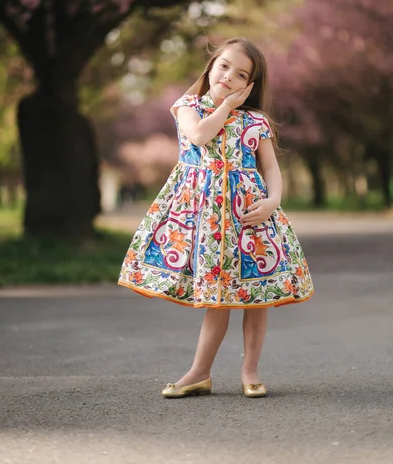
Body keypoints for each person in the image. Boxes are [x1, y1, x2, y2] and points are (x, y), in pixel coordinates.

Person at [118, 37, 314, 398]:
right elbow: (199, 134)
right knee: (217, 297)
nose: (228, 76)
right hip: (204, 218)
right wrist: (226, 107)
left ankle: (250, 371)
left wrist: (273, 201)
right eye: (224, 66)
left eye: (241, 74)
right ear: (211, 67)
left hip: (249, 216)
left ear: (249, 86)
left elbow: (270, 166)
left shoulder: (256, 121)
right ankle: (199, 373)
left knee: (258, 294)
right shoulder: (188, 106)